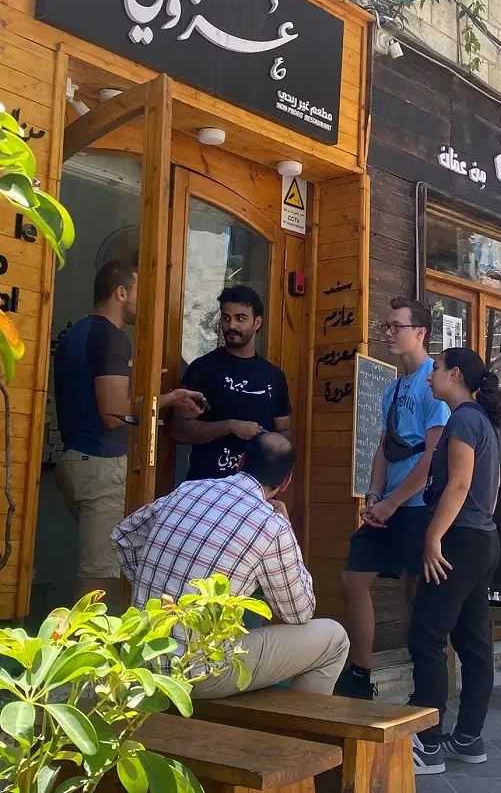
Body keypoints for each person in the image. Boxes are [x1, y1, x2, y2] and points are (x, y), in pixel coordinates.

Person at [111, 432, 349, 696]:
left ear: (240, 461)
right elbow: (299, 612)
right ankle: (299, 734)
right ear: (287, 481)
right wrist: (288, 530)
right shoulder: (272, 525)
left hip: (139, 661)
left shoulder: (188, 490)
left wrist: (156, 586)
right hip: (200, 673)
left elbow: (122, 538)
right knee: (334, 638)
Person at [54, 261, 204, 604]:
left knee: (109, 569)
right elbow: (112, 414)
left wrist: (141, 384)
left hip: (76, 460)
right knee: (99, 580)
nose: (143, 299)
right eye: (137, 291)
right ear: (120, 293)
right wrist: (168, 398)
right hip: (101, 465)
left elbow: (92, 399)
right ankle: (63, 654)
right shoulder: (112, 337)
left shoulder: (76, 334)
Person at [335, 298, 450, 700]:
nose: (388, 333)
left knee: (419, 594)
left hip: (419, 508)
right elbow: (384, 446)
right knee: (354, 578)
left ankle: (431, 682)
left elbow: (432, 458)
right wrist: (373, 495)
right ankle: (361, 675)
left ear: (420, 332)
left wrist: (395, 502)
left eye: (396, 326)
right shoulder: (393, 387)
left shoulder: (433, 383)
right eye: (386, 326)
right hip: (388, 505)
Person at [408, 348, 501, 776]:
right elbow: (493, 488)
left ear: (456, 374)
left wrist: (434, 537)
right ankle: (468, 738)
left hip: (459, 540)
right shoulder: (483, 422)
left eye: (435, 371)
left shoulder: (464, 419)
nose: (430, 379)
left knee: (427, 638)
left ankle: (427, 745)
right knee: (472, 641)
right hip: (482, 538)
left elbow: (461, 481)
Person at [172, 286, 292, 480]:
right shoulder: (202, 369)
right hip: (206, 487)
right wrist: (229, 426)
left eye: (240, 318)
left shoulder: (274, 377)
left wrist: (279, 472)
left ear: (257, 322)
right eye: (226, 318)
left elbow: (284, 430)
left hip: (255, 492)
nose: (231, 325)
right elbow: (179, 430)